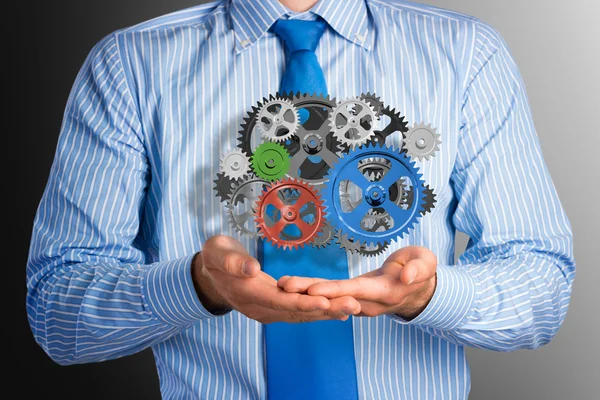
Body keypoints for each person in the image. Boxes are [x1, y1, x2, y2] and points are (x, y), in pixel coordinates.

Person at [26, 0, 575, 398]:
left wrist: (427, 296)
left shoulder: (465, 54)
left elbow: (542, 287)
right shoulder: (130, 66)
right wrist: (197, 286)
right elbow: (57, 313)